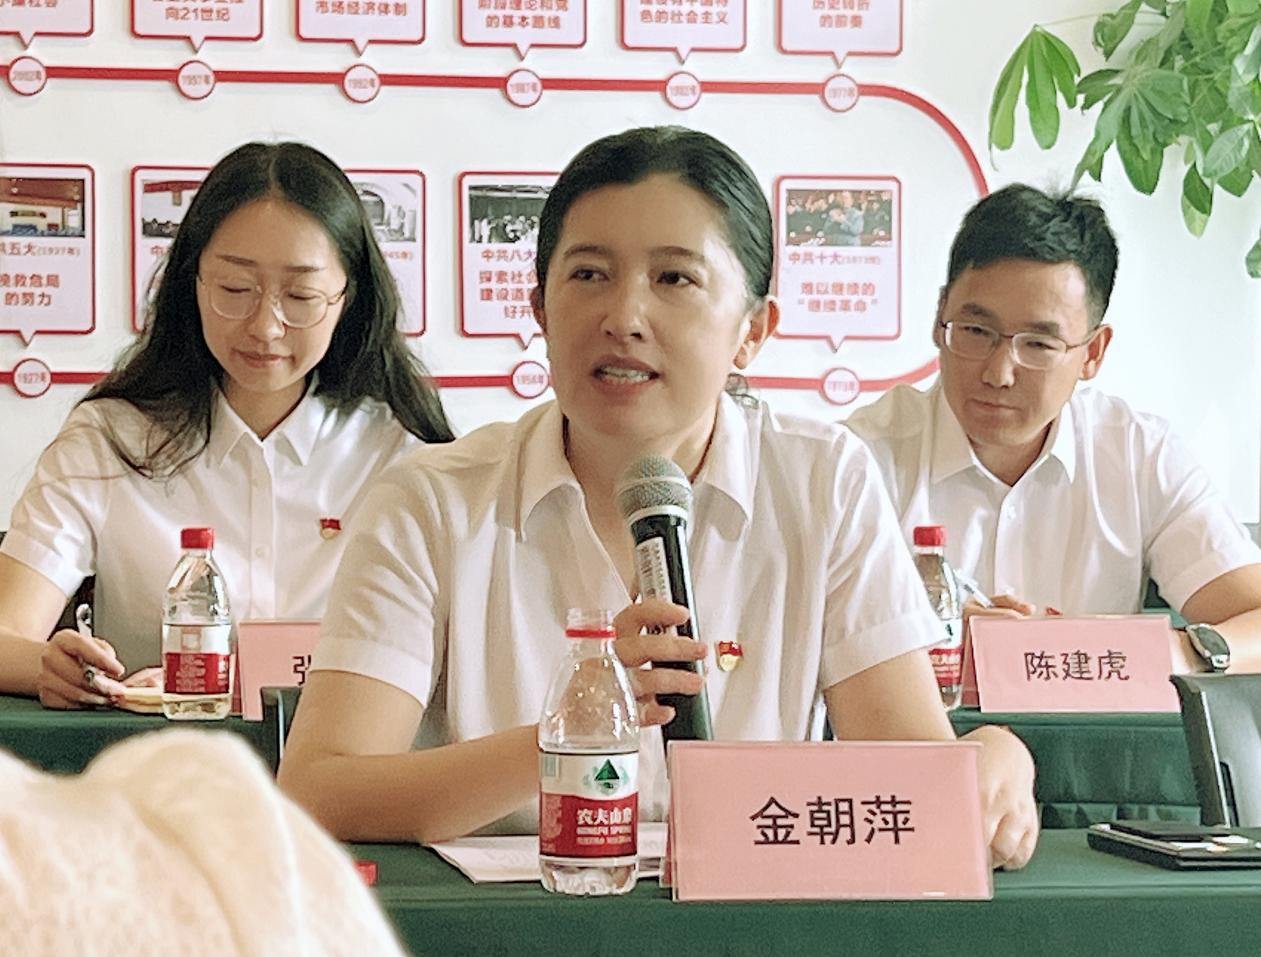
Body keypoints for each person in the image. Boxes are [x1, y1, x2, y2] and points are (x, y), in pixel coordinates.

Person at [278, 126, 1038, 869]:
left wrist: (997, 754)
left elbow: (911, 769)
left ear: (752, 330)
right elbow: (320, 790)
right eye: (588, 275)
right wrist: (572, 734)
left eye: (674, 279)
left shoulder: (823, 482)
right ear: (538, 307)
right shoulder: (429, 503)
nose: (623, 318)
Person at [0, 141, 454, 709]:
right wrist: (53, 668)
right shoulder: (108, 441)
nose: (266, 326)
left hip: (344, 764)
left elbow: (459, 661)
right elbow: (6, 634)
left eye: (301, 295)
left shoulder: (401, 454)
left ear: (347, 297)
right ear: (192, 282)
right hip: (160, 759)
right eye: (236, 290)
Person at [846, 184, 1261, 673]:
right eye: (976, 331)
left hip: (1094, 724)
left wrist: (1165, 652)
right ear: (940, 319)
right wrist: (925, 633)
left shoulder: (1138, 455)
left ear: (1092, 353)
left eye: (1038, 345)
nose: (999, 373)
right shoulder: (856, 461)